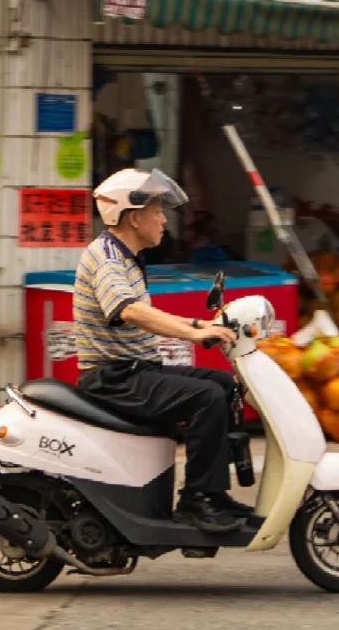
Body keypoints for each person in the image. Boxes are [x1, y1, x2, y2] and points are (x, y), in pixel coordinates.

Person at [73, 168, 254, 533]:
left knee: (222, 384)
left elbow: (149, 312)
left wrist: (201, 325)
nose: (163, 219)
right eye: (157, 210)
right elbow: (131, 311)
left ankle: (213, 493)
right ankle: (195, 501)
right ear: (134, 216)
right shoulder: (107, 259)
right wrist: (195, 336)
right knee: (205, 397)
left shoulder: (126, 258)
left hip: (137, 371)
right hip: (113, 378)